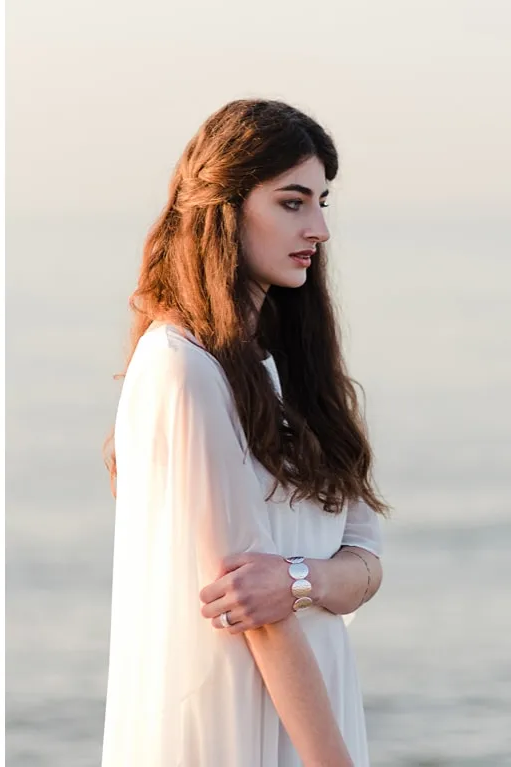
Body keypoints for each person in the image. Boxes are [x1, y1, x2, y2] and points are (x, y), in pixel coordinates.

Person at [101, 100, 387, 766]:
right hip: (234, 722)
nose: (317, 227)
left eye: (322, 202)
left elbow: (367, 563)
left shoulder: (296, 369)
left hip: (311, 712)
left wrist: (295, 578)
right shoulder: (181, 368)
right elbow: (255, 616)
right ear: (224, 208)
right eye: (292, 202)